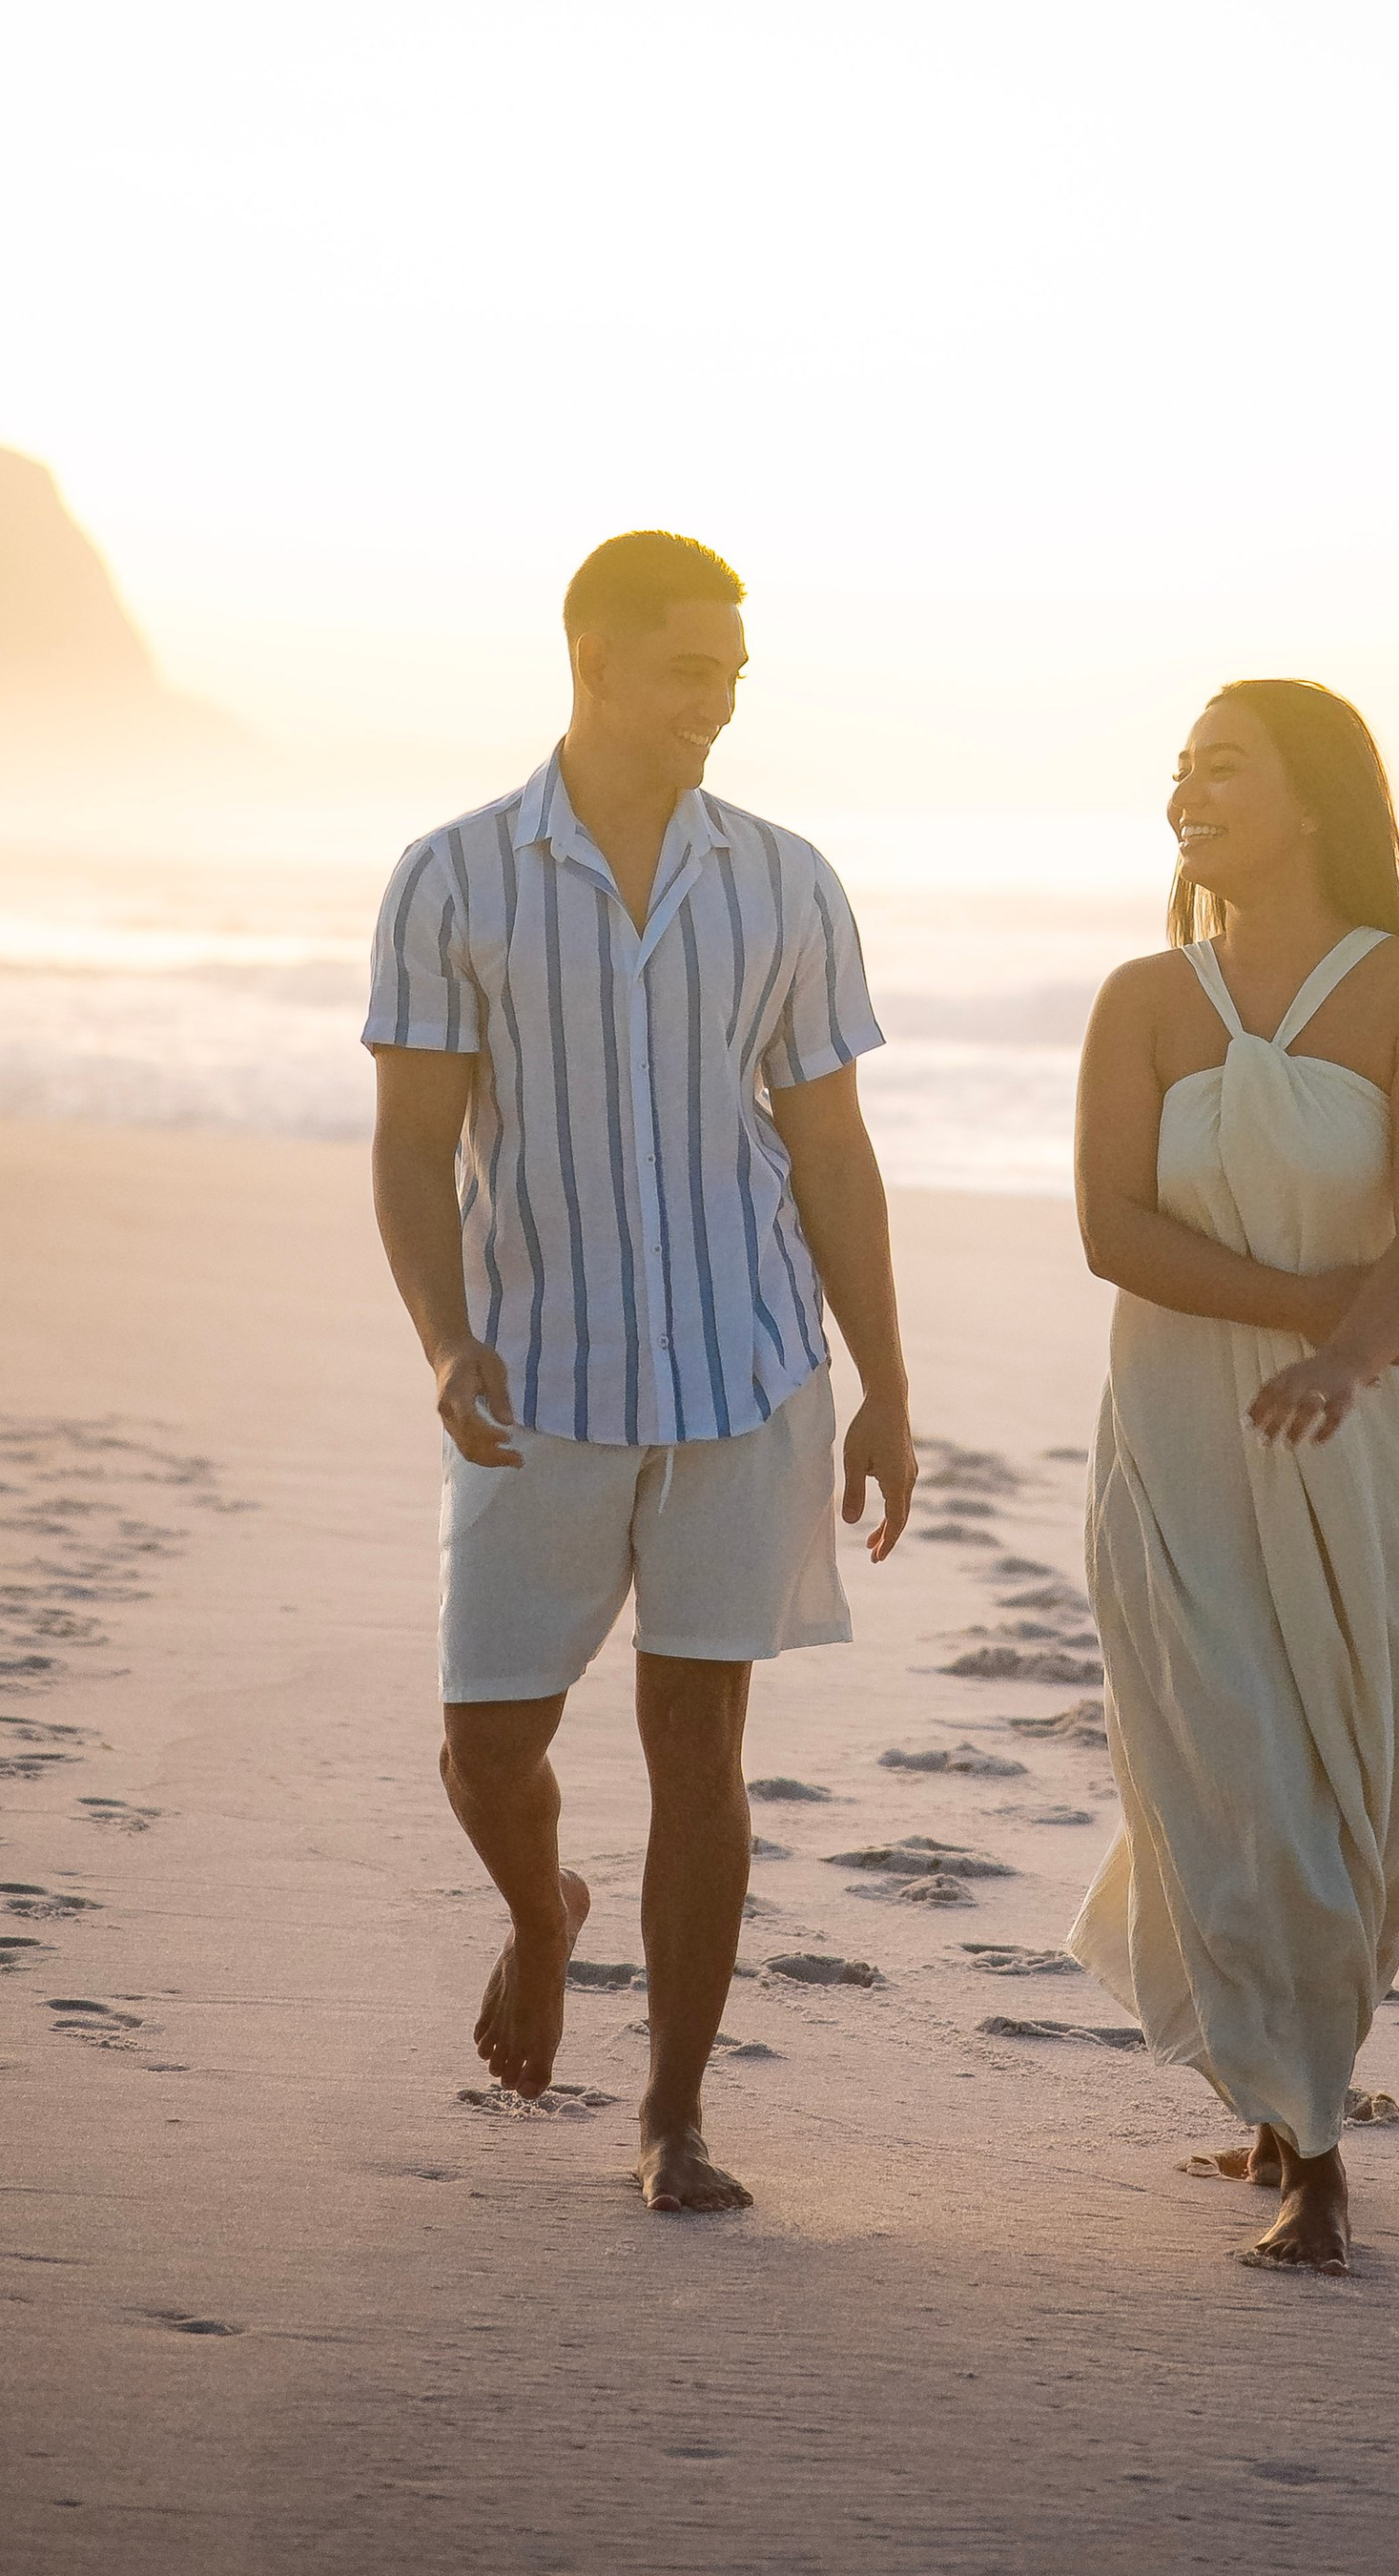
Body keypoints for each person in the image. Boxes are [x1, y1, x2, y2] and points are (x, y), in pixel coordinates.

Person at [363, 528, 917, 2213]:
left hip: (744, 1371)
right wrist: (448, 1341)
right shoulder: (451, 875)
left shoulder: (786, 878)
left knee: (701, 1743)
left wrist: (887, 1383)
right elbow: (412, 1148)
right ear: (594, 658)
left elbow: (830, 1146)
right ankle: (546, 1914)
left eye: (736, 678)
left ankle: (674, 2115)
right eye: (693, 672)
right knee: (486, 1741)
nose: (720, 707)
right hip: (532, 1386)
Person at [1069, 678, 1399, 2274]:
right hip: (1187, 1434)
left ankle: (1286, 2077)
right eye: (1179, 767)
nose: (1187, 791)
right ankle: (1312, 2153)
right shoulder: (1141, 1000)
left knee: (1367, 1789)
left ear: (1315, 798)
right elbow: (1112, 1232)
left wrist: (1351, 1356)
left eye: (1225, 767)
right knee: (1230, 1757)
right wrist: (1302, 1320)